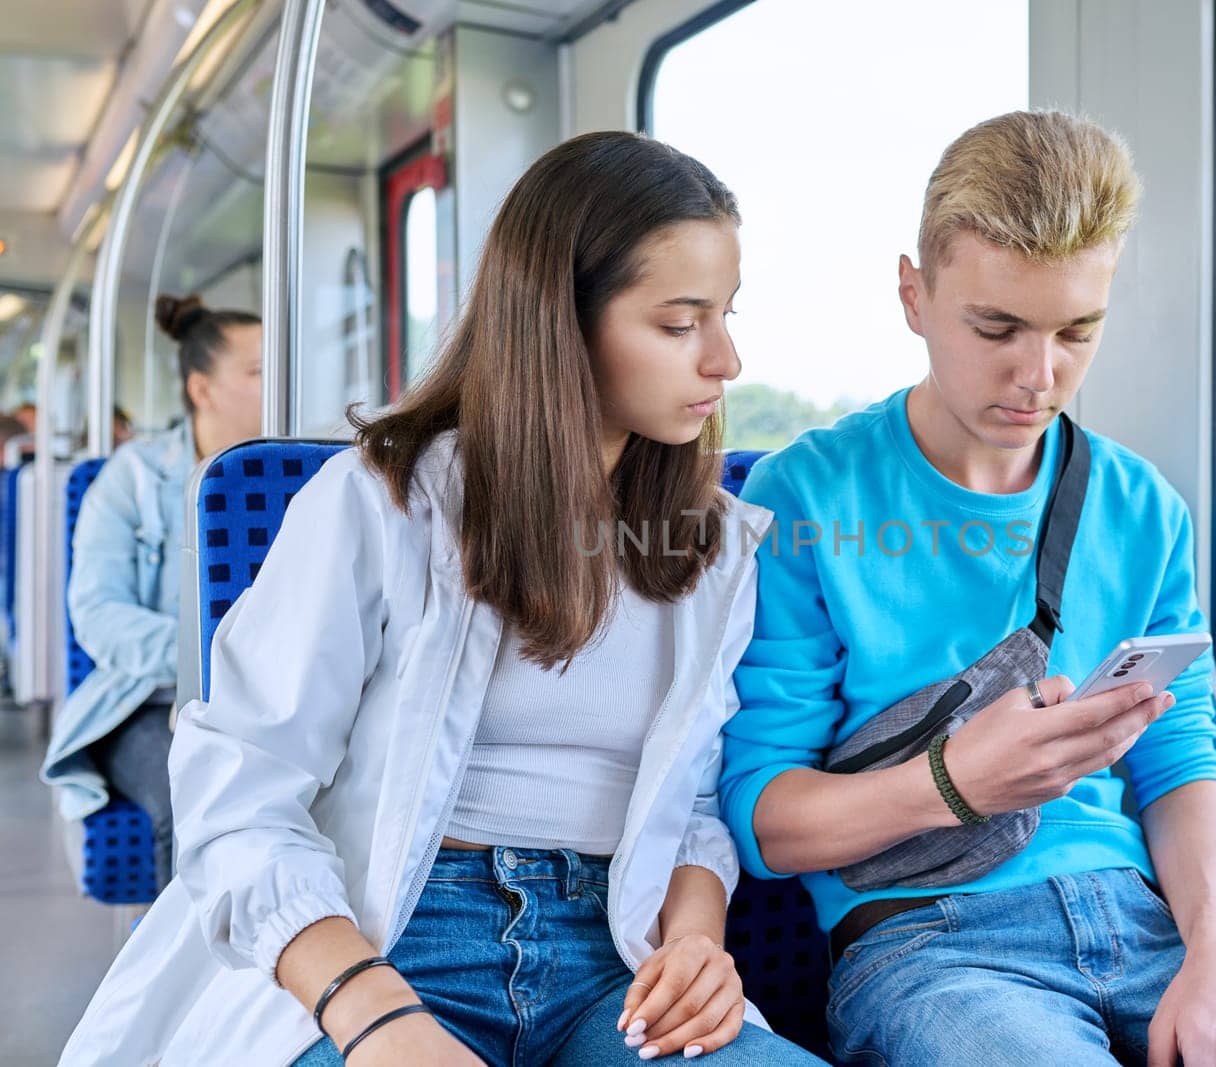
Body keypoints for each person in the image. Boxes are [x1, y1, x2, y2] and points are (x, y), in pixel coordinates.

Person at [719, 110, 1216, 1066]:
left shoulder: (1142, 507)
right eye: (997, 327)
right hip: (930, 947)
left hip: (1156, 928)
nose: (1039, 375)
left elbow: (1179, 763)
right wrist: (958, 781)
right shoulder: (805, 495)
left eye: (1078, 330)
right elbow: (764, 815)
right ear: (913, 293)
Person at [61, 132, 822, 1067]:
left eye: (726, 315)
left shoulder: (716, 539)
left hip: (614, 956)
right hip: (387, 937)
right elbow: (239, 790)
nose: (726, 359)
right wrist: (372, 1012)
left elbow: (696, 795)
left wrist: (697, 941)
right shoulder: (382, 501)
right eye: (679, 323)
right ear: (559, 321)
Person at [41, 296, 262, 889]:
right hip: (149, 702)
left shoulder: (304, 477)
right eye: (259, 372)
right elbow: (99, 614)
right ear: (203, 389)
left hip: (272, 700)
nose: (280, 385)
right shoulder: (130, 480)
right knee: (189, 800)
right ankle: (186, 978)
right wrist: (222, 660)